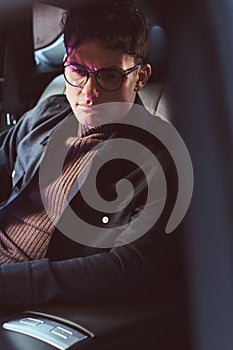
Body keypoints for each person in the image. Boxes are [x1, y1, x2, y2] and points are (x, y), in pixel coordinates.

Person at [0, 0, 184, 308]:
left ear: (139, 77)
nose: (89, 92)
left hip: (25, 296)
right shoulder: (48, 114)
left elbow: (132, 268)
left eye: (109, 76)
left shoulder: (159, 159)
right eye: (78, 71)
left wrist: (9, 285)